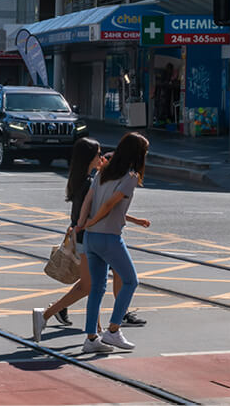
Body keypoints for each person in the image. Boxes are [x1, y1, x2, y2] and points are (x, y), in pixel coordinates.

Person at [32, 138, 145, 341]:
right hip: (91, 238)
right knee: (90, 286)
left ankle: (96, 332)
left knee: (96, 285)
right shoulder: (91, 182)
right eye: (98, 153)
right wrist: (85, 223)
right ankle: (50, 314)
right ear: (89, 158)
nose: (101, 157)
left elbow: (101, 209)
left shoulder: (88, 180)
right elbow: (103, 208)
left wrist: (133, 220)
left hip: (90, 235)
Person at [78, 131, 150, 352]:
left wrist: (84, 223)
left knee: (97, 288)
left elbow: (89, 200)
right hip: (109, 237)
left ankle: (91, 339)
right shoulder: (129, 177)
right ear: (137, 154)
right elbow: (109, 204)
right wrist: (97, 220)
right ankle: (113, 330)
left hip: (91, 238)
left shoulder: (103, 171)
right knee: (130, 281)